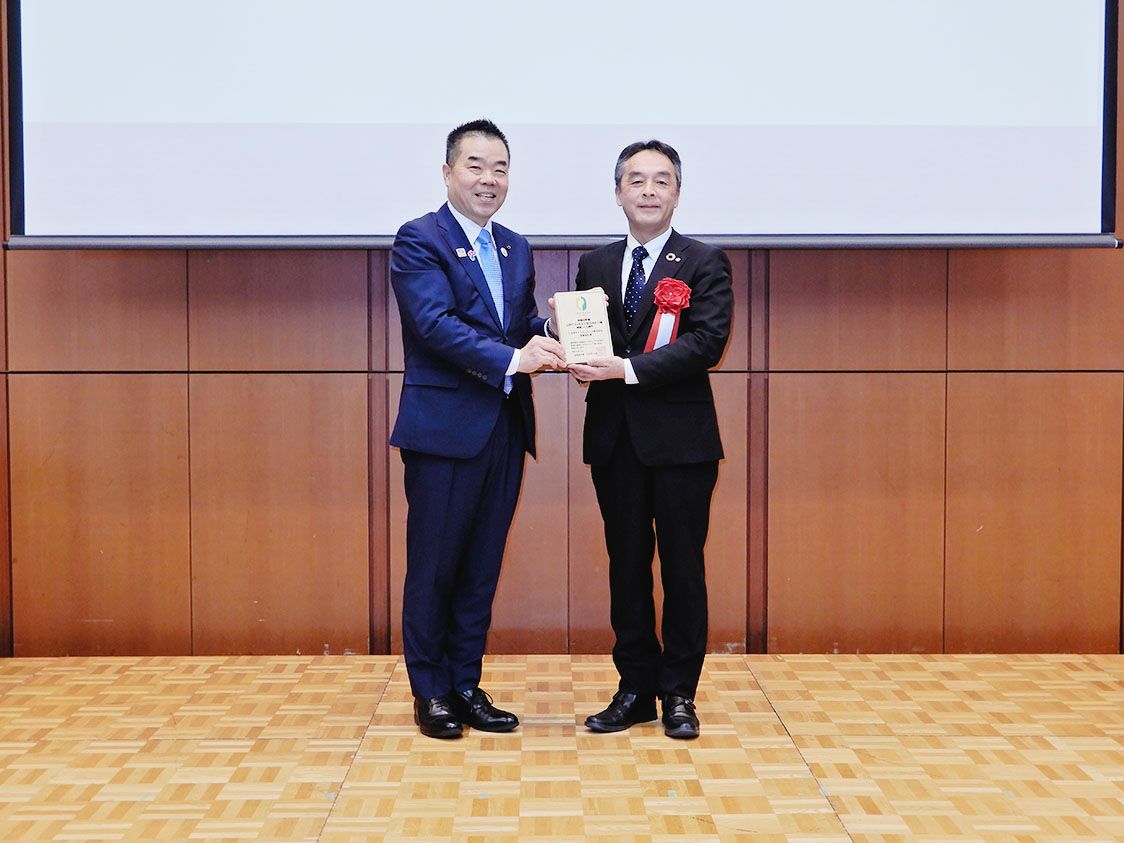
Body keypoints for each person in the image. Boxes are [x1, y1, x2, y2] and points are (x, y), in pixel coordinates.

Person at [390, 119, 565, 739]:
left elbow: (514, 328)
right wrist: (517, 358)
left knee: (480, 567)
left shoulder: (515, 246)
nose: (489, 179)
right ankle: (431, 691)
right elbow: (434, 324)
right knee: (434, 566)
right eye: (475, 166)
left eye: (500, 169)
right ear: (448, 173)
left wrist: (554, 332)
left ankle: (465, 684)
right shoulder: (419, 239)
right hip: (444, 431)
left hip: (504, 427)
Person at [567, 140, 732, 739]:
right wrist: (580, 359)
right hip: (615, 441)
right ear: (618, 193)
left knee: (683, 567)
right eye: (636, 180)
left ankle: (679, 692)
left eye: (662, 180)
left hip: (682, 443)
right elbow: (590, 339)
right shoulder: (595, 264)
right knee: (627, 568)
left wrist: (627, 370)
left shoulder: (705, 261)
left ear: (677, 193)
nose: (648, 190)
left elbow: (707, 343)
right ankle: (635, 687)